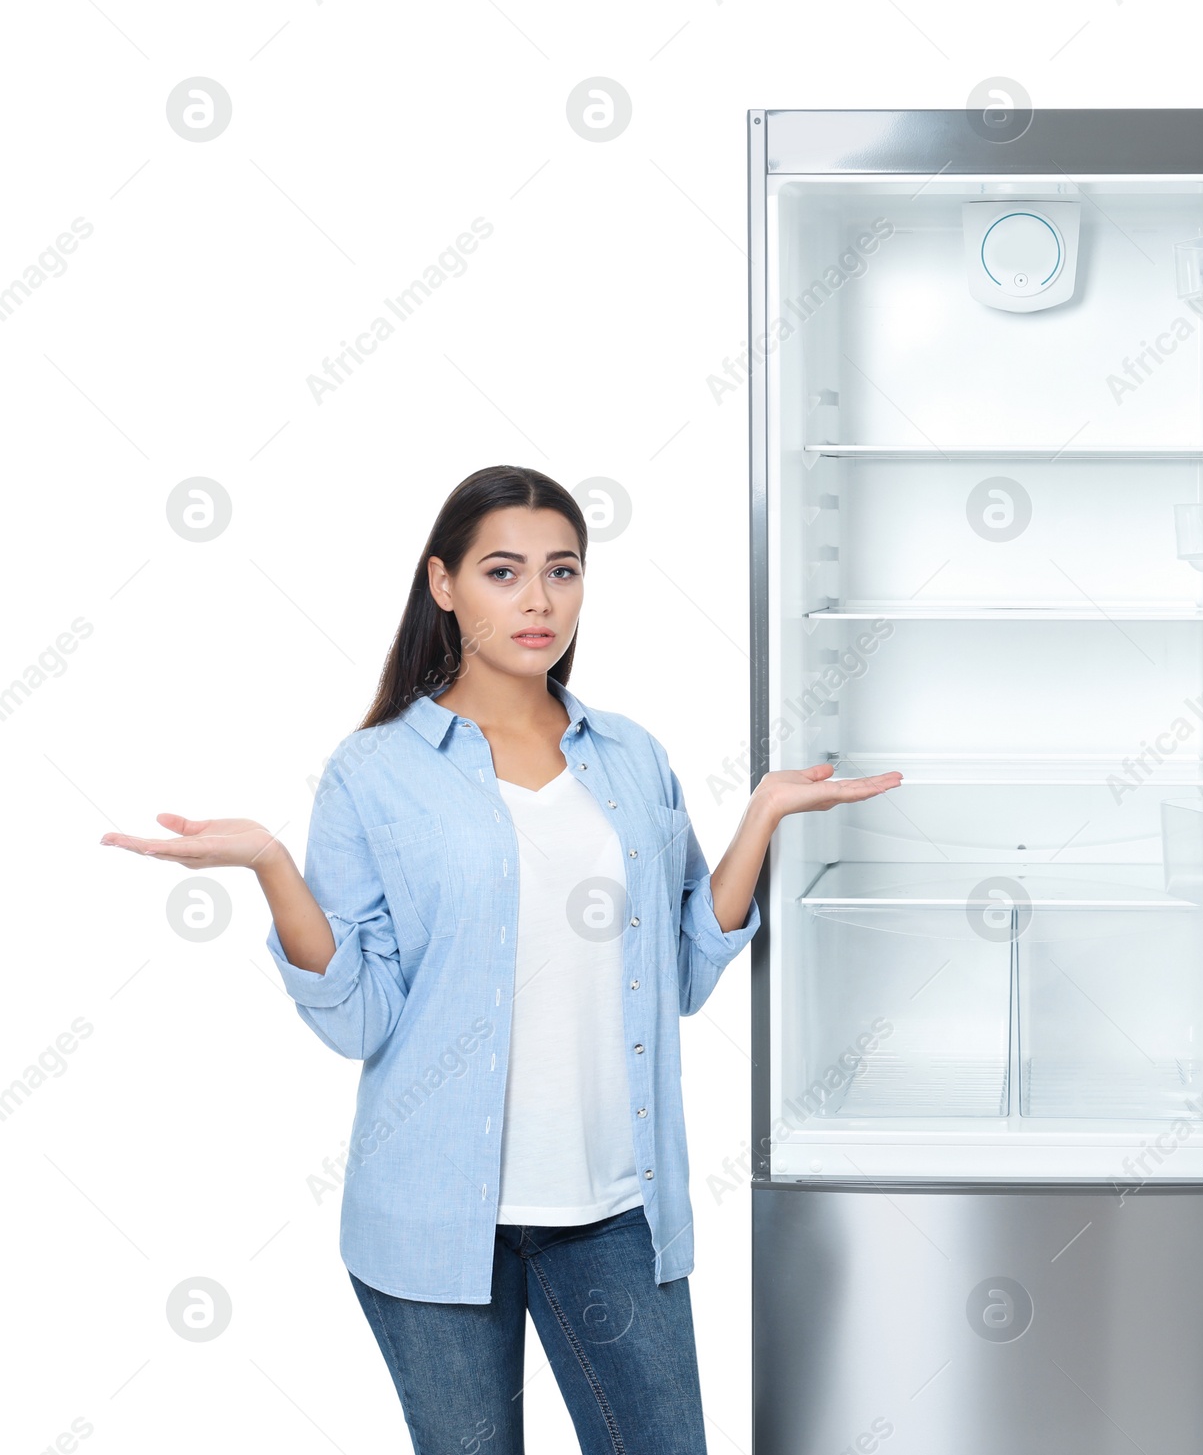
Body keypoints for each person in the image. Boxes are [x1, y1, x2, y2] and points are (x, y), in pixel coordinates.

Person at [101, 465, 900, 1454]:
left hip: (615, 1207)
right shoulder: (376, 770)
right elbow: (360, 1018)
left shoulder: (628, 756)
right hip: (434, 1222)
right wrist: (271, 863)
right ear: (443, 583)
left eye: (561, 571)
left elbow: (688, 971)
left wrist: (763, 814)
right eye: (503, 571)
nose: (537, 599)